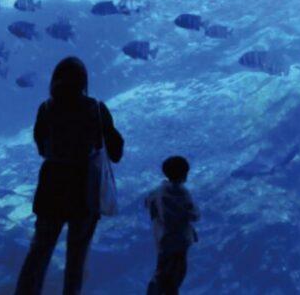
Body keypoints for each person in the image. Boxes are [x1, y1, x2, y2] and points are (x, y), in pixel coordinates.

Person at [15, 56, 124, 295]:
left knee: (38, 252)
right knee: (77, 258)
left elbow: (42, 148)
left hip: (51, 189)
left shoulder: (46, 108)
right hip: (84, 191)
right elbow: (116, 152)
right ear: (84, 80)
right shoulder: (95, 108)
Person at [145, 156, 200, 295]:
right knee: (178, 272)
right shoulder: (183, 193)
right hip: (180, 241)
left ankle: (155, 285)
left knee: (162, 268)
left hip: (163, 239)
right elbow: (193, 215)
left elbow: (148, 202)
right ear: (184, 174)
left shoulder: (159, 191)